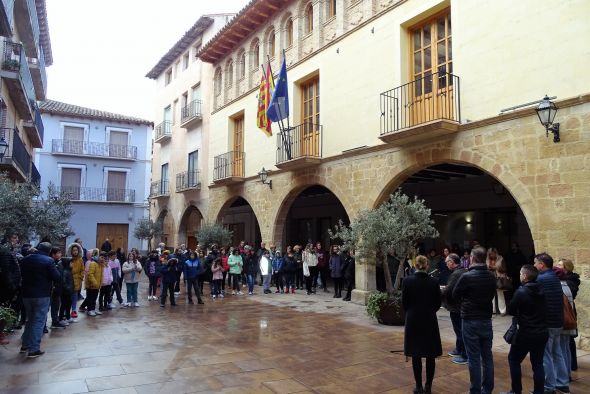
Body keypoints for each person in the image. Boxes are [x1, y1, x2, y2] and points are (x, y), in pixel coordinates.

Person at [452, 246, 497, 394]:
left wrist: (465, 303)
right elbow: (491, 294)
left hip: (470, 319)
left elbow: (455, 294)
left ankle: (475, 390)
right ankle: (488, 389)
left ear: (472, 258)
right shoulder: (491, 276)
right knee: (487, 356)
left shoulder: (467, 276)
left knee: (473, 358)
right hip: (485, 319)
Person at [502, 264, 548, 394]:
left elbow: (511, 309)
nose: (520, 276)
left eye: (521, 274)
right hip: (542, 331)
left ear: (525, 276)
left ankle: (516, 391)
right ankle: (539, 391)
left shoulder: (522, 291)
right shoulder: (542, 289)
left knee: (514, 359)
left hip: (526, 332)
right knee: (538, 363)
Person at [402, 255, 442, 394]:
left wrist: (412, 311)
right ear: (427, 265)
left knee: (415, 353)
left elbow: (404, 303)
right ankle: (428, 386)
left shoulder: (407, 281)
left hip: (413, 319)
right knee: (430, 354)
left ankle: (418, 386)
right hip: (429, 318)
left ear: (415, 265)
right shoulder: (434, 282)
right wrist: (429, 311)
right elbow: (438, 303)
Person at [534, 253, 569, 394]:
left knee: (546, 355)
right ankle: (562, 383)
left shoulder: (541, 278)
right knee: (557, 352)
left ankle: (549, 387)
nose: (534, 265)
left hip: (547, 322)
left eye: (536, 263)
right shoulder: (554, 277)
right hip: (557, 321)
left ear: (542, 264)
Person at [20, 242, 60, 358]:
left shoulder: (25, 260)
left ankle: (25, 345)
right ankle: (33, 349)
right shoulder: (48, 261)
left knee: (30, 319)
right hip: (42, 294)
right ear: (49, 251)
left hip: (26, 294)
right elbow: (56, 277)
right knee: (38, 321)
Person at [441, 253, 468, 365]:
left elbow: (448, 290)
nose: (446, 265)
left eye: (447, 262)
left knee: (460, 331)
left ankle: (464, 354)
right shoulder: (463, 271)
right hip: (460, 306)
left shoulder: (456, 274)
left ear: (452, 262)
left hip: (456, 307)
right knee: (460, 330)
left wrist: (436, 290)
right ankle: (459, 349)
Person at [554, 266, 577, 390]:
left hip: (563, 323)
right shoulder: (566, 286)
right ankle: (567, 374)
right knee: (566, 349)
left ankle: (564, 377)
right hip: (568, 322)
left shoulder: (560, 287)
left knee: (561, 351)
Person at [557, 258, 580, 373]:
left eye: (560, 265)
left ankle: (572, 365)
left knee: (569, 340)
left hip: (568, 311)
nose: (557, 266)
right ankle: (571, 365)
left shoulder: (571, 281)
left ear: (566, 268)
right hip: (567, 310)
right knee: (568, 340)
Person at [487, 247, 510, 315]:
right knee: (491, 295)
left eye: (493, 254)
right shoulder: (487, 260)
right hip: (490, 277)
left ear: (495, 253)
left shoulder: (501, 258)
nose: (491, 255)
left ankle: (502, 311)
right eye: (490, 254)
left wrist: (496, 268)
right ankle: (492, 310)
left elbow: (505, 269)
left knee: (500, 294)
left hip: (499, 278)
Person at [49, 247, 66, 329]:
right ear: (53, 254)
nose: (60, 254)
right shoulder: (50, 263)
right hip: (51, 288)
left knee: (56, 306)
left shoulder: (60, 263)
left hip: (58, 288)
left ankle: (55, 321)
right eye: (58, 253)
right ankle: (43, 326)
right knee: (47, 307)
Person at [67, 243, 84, 319]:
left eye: (76, 250)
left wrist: (80, 277)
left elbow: (82, 270)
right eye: (73, 250)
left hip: (77, 280)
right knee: (68, 297)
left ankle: (74, 310)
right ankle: (66, 311)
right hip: (69, 280)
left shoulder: (80, 260)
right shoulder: (68, 259)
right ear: (71, 251)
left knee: (75, 296)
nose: (75, 252)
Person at [58, 258, 75, 325]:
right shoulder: (65, 272)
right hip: (65, 292)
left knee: (69, 305)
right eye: (71, 263)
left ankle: (68, 317)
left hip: (69, 292)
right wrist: (68, 288)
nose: (72, 264)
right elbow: (64, 282)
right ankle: (61, 319)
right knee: (63, 305)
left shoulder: (69, 271)